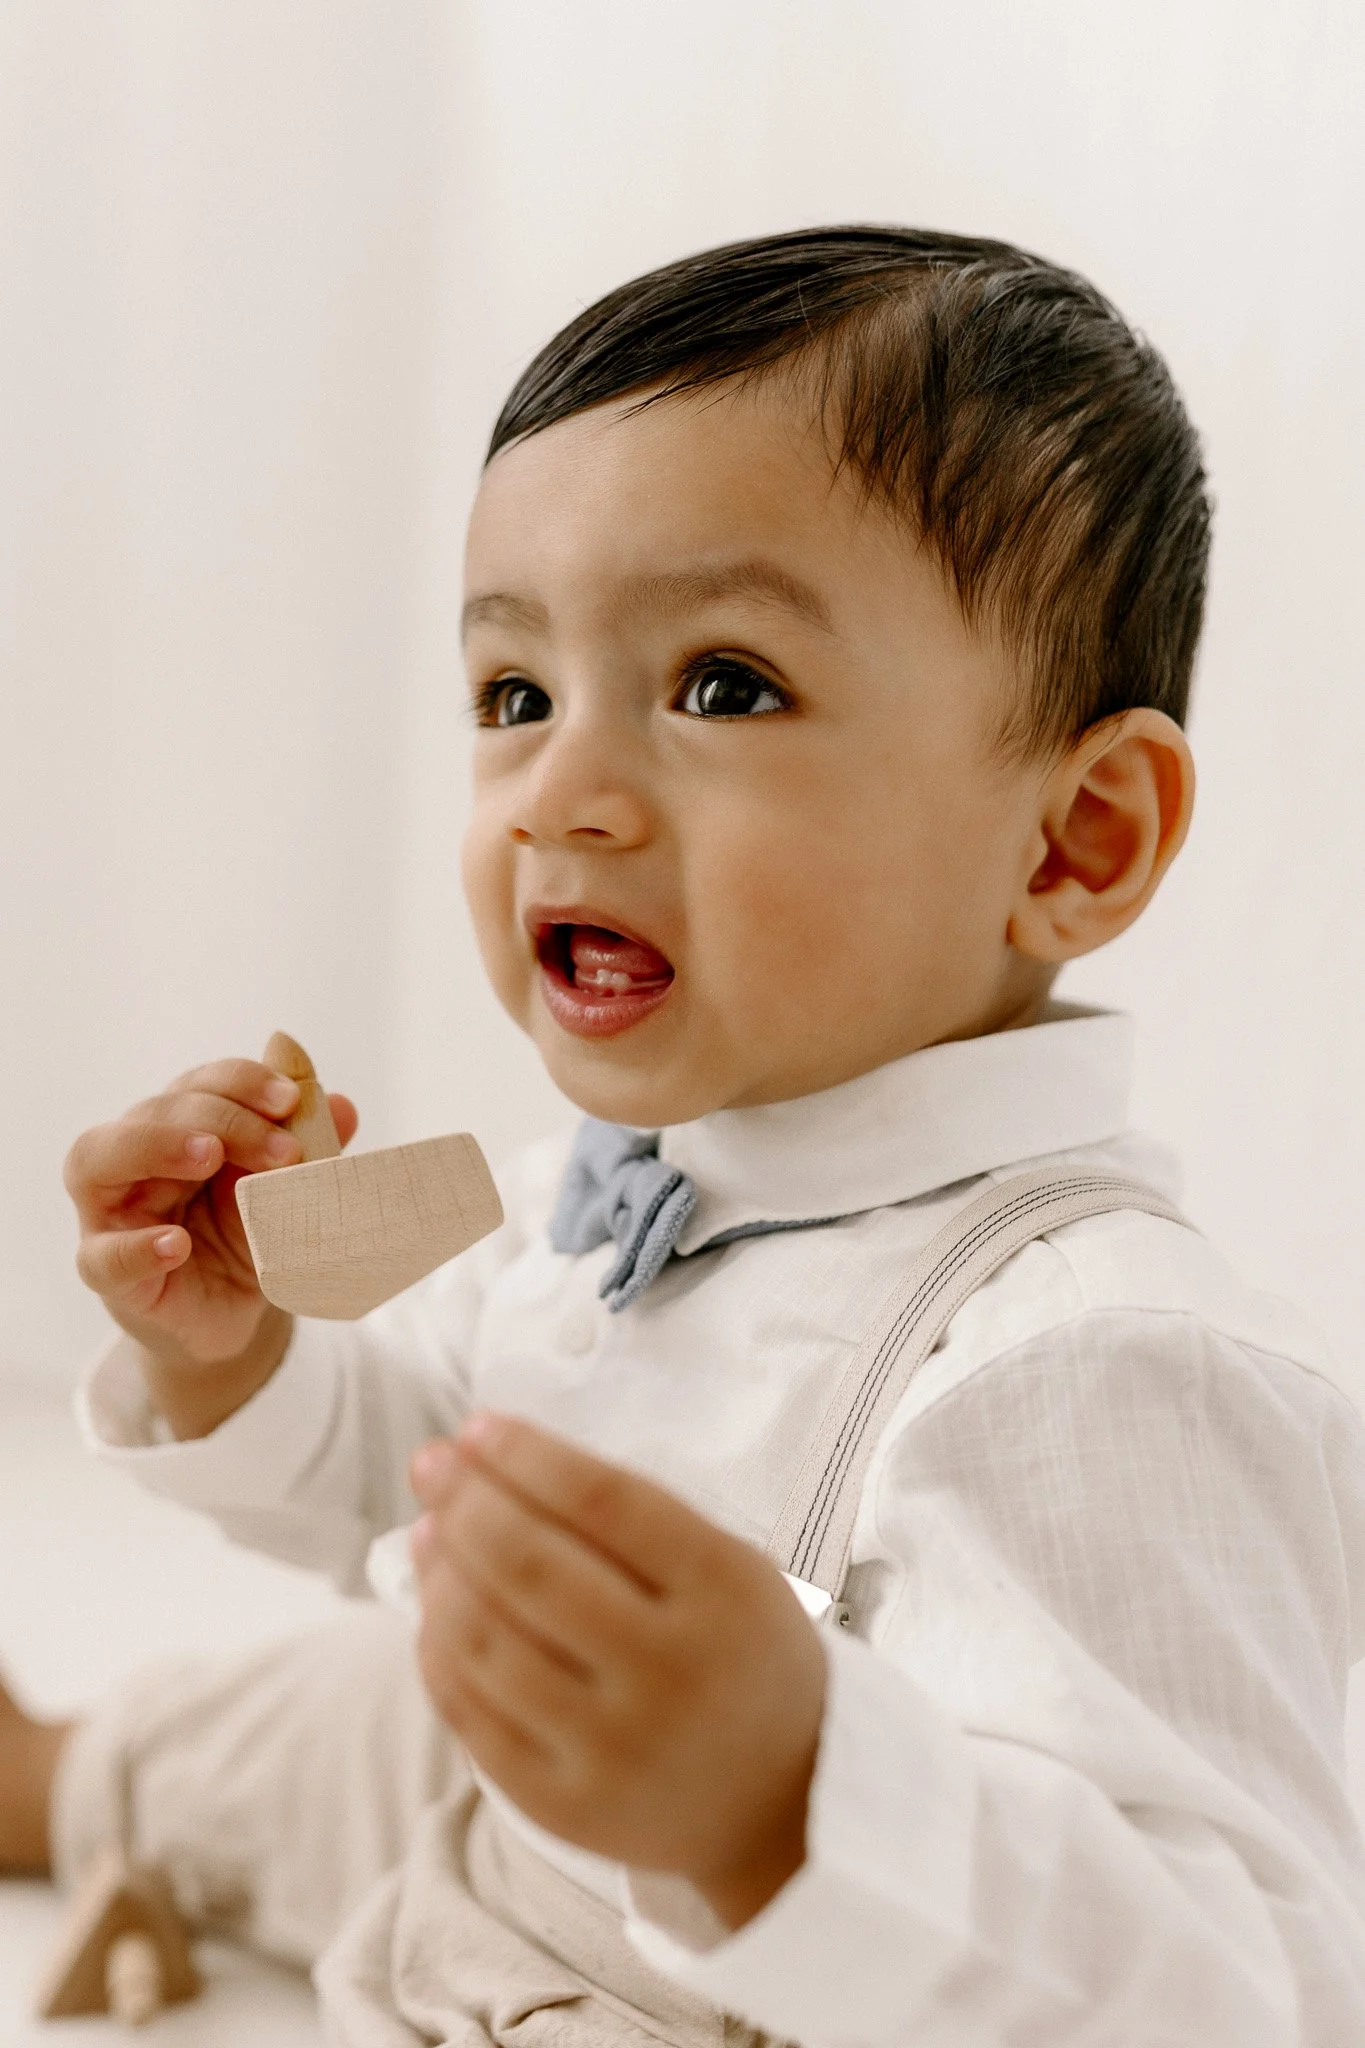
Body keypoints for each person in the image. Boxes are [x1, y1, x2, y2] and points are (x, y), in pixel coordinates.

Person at [4, 225, 1364, 2044]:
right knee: (358, 1698)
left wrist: (781, 1797)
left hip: (717, 2008)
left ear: (1073, 843)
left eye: (722, 683)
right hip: (496, 1856)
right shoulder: (621, 1194)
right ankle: (79, 1784)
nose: (561, 790)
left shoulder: (1097, 1370)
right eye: (515, 695)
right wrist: (237, 1352)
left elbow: (1242, 1990)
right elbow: (419, 1489)